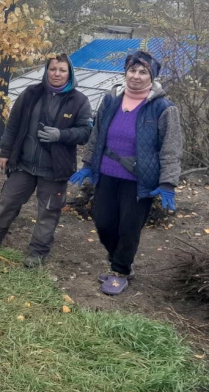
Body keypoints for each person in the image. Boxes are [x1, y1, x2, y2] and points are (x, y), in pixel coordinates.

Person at [70, 50, 182, 295]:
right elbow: (97, 135)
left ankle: (120, 270)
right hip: (108, 174)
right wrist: (88, 163)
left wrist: (168, 182)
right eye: (132, 70)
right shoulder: (111, 100)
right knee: (103, 222)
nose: (136, 76)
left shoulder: (163, 108)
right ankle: (120, 263)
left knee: (128, 228)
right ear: (125, 72)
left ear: (152, 76)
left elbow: (171, 148)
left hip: (139, 180)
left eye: (143, 71)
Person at [0, 54, 91, 267]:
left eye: (62, 70)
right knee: (7, 201)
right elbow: (13, 124)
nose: (57, 74)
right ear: (47, 71)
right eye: (53, 69)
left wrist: (61, 135)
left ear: (69, 73)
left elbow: (85, 132)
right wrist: (5, 152)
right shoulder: (31, 93)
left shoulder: (79, 100)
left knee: (48, 211)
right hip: (24, 164)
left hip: (55, 169)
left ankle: (37, 252)